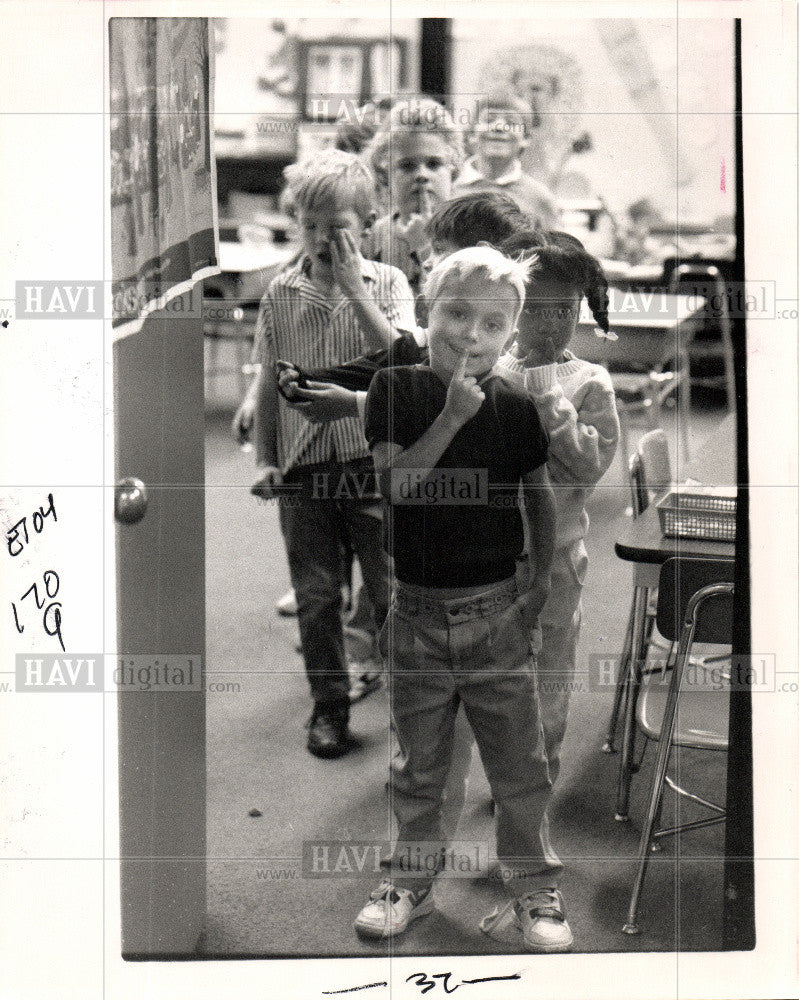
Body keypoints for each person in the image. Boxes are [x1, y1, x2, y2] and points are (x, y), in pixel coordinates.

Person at [355, 246, 571, 953]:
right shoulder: (397, 389)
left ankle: (534, 889)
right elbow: (393, 488)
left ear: (510, 334)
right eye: (455, 314)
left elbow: (537, 497)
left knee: (519, 767)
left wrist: (538, 583)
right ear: (427, 310)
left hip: (494, 615)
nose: (469, 335)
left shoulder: (515, 407)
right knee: (417, 768)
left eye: (490, 323)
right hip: (415, 615)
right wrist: (449, 418)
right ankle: (409, 885)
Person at [440, 231, 620, 874]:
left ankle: (528, 814)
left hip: (557, 558)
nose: (548, 321)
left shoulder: (590, 381)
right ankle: (458, 800)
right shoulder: (486, 367)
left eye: (565, 307)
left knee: (547, 690)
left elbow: (588, 470)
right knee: (475, 683)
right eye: (535, 307)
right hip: (482, 561)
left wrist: (551, 407)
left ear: (583, 306)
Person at [250, 149, 417, 759]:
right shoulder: (278, 295)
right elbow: (271, 384)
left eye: (338, 226)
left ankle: (413, 712)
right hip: (304, 476)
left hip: (374, 469)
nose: (322, 238)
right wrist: (266, 458)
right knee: (317, 598)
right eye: (311, 225)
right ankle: (329, 706)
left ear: (368, 224)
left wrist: (354, 288)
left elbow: (405, 360)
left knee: (390, 594)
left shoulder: (389, 284)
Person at [365, 97, 465, 296]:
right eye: (407, 166)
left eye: (434, 164)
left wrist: (426, 247)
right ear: (386, 174)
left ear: (453, 169)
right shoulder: (371, 239)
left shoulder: (469, 235)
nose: (421, 175)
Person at [454, 93, 559, 230]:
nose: (499, 127)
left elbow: (554, 249)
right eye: (489, 120)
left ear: (526, 138)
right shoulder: (450, 188)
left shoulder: (540, 198)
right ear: (472, 134)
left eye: (511, 123)